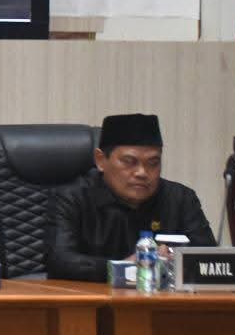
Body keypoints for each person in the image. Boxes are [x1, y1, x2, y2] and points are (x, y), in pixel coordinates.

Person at [45, 112, 215, 281]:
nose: (142, 173)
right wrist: (123, 267)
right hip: (92, 296)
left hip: (160, 296)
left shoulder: (180, 199)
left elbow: (210, 261)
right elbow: (59, 261)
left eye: (153, 163)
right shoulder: (72, 198)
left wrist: (172, 257)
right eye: (129, 162)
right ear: (101, 160)